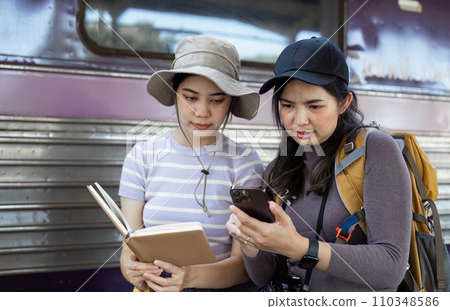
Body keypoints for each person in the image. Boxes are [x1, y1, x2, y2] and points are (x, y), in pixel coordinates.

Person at [226, 37, 412, 292]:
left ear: (343, 102)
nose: (300, 120)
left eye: (314, 105)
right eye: (287, 105)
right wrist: (250, 242)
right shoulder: (277, 168)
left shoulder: (375, 150)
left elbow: (391, 266)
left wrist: (300, 248)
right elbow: (263, 276)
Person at [118, 35, 264, 291]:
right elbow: (128, 251)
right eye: (190, 97)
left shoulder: (244, 163)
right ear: (175, 95)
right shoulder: (141, 157)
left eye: (217, 100)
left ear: (231, 102)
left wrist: (189, 277)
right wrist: (131, 269)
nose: (202, 112)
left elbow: (244, 266)